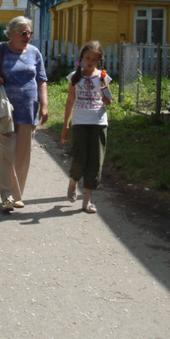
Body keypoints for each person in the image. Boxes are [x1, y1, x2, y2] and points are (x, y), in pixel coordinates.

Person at [0, 16, 48, 212]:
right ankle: (7, 196)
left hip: (28, 111)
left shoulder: (34, 53)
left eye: (29, 33)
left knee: (23, 156)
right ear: (11, 34)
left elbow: (41, 80)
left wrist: (44, 105)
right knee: (6, 153)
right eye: (23, 33)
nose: (27, 37)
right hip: (4, 112)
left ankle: (18, 196)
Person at [61, 41, 112, 214]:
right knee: (79, 157)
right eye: (88, 58)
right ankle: (74, 181)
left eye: (94, 59)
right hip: (80, 123)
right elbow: (70, 101)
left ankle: (87, 201)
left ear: (99, 61)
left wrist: (106, 93)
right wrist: (65, 124)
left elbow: (108, 100)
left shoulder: (103, 77)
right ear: (82, 57)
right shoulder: (75, 77)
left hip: (98, 123)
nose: (90, 62)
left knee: (96, 161)